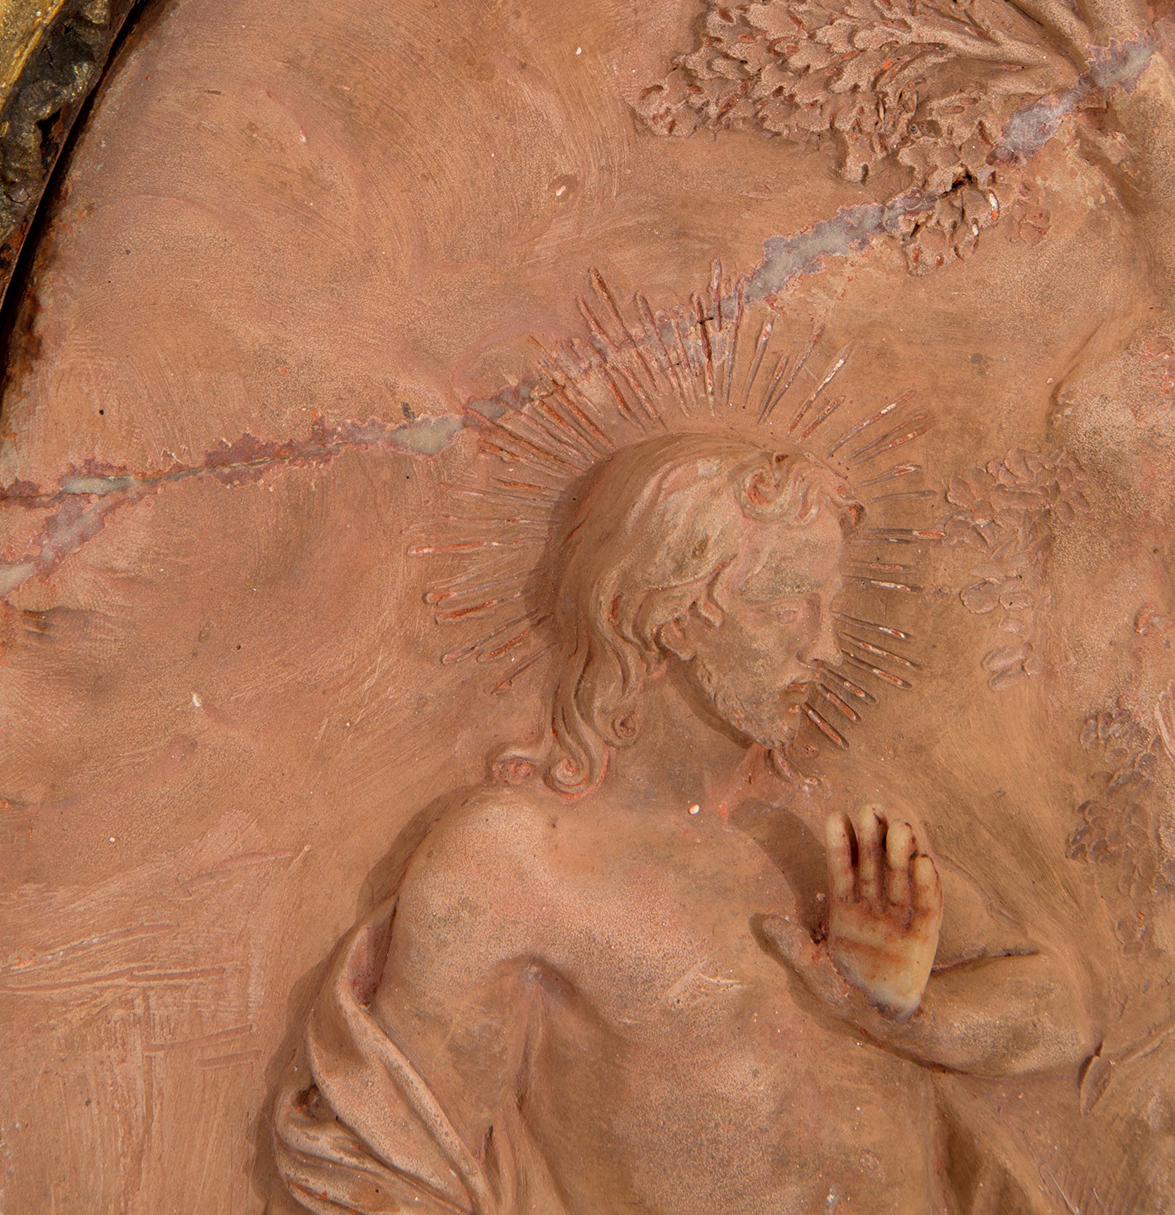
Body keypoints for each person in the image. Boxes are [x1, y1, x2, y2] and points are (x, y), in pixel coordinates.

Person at [275, 432, 1091, 1214]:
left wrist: (900, 1012)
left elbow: (1059, 1014)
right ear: (671, 613)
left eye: (829, 607)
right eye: (789, 606)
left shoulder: (825, 831)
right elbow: (398, 1176)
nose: (826, 650)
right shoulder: (515, 863)